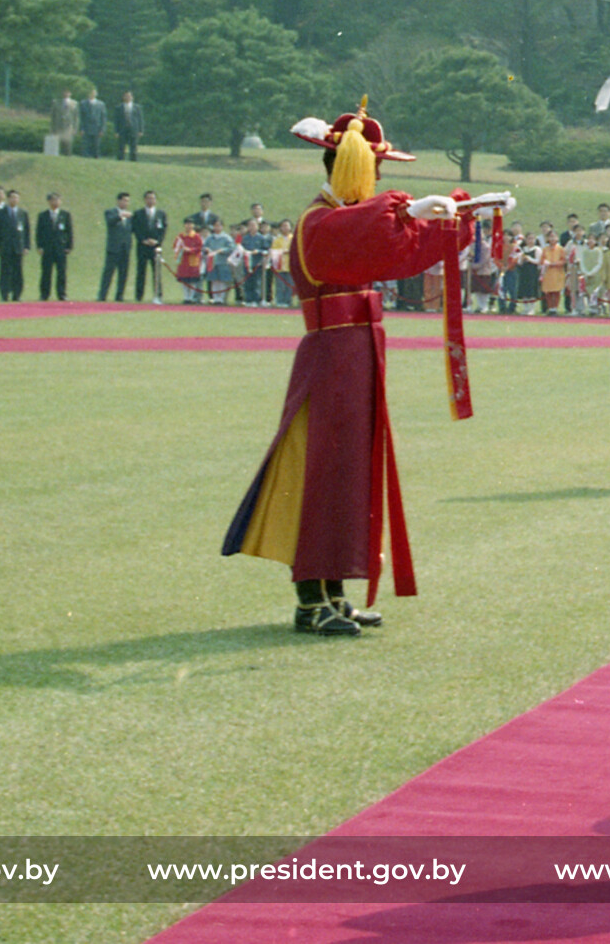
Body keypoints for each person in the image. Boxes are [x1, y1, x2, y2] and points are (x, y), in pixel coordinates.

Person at [223, 105, 469, 636]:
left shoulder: (347, 220)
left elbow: (401, 252)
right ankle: (311, 599)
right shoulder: (320, 222)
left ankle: (334, 592)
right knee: (321, 476)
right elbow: (365, 229)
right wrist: (406, 211)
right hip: (331, 358)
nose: (377, 183)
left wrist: (457, 215)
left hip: (356, 356)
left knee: (350, 476)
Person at [36, 192, 74, 301]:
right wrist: (39, 246)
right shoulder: (43, 216)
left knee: (61, 272)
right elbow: (39, 232)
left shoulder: (65, 215)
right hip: (47, 248)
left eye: (58, 200)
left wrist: (69, 246)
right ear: (49, 202)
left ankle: (62, 294)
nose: (55, 202)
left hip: (60, 248)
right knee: (46, 272)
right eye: (53, 200)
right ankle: (44, 294)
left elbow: (69, 232)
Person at [133, 190, 169, 303]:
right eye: (148, 198)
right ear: (145, 199)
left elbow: (163, 230)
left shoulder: (161, 214)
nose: (150, 200)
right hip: (142, 247)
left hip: (155, 248)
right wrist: (143, 240)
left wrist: (157, 241)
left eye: (153, 198)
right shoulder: (138, 213)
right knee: (141, 271)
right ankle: (139, 296)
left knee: (157, 272)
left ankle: (158, 295)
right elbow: (135, 229)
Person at [0, 188, 29, 303]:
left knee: (18, 272)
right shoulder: (0, 213)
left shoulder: (23, 213)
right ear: (8, 199)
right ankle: (4, 294)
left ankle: (17, 294)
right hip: (5, 247)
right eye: (12, 197)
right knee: (5, 271)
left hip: (18, 247)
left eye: (16, 197)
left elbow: (26, 231)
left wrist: (26, 246)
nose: (14, 199)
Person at [99, 192, 135, 301]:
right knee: (108, 273)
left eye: (127, 201)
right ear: (118, 201)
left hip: (125, 248)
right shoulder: (110, 212)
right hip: (113, 248)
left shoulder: (130, 216)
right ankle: (102, 295)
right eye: (124, 200)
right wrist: (120, 216)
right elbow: (110, 221)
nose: (126, 203)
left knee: (123, 273)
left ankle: (119, 296)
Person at [115, 91, 146, 161]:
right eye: (126, 96)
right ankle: (120, 159)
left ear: (132, 97)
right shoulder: (119, 107)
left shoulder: (137, 107)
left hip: (134, 129)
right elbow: (116, 120)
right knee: (121, 146)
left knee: (133, 146)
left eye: (129, 96)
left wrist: (141, 130)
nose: (128, 98)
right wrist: (116, 131)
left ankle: (133, 160)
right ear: (123, 97)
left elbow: (140, 119)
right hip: (122, 129)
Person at [79, 88, 108, 159]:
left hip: (97, 127)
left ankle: (96, 157)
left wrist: (102, 129)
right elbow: (81, 117)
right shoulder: (83, 103)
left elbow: (103, 118)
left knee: (96, 144)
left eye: (93, 92)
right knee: (86, 144)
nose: (92, 94)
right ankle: (85, 157)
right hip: (86, 127)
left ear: (96, 94)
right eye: (90, 92)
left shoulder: (101, 104)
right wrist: (81, 128)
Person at [52, 89, 81, 156]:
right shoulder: (56, 102)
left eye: (68, 92)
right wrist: (52, 128)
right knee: (58, 145)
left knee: (68, 144)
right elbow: (53, 116)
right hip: (58, 126)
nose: (66, 93)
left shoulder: (74, 103)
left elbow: (76, 117)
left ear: (70, 93)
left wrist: (75, 128)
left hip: (69, 127)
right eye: (65, 91)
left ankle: (68, 157)